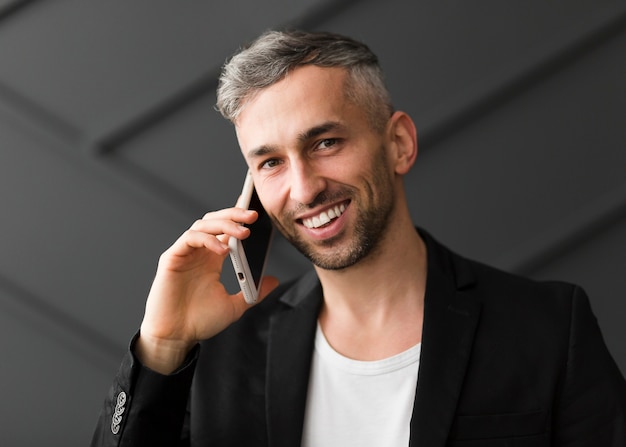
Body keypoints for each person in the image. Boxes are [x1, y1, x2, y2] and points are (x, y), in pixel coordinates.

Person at [91, 30, 626, 446]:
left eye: (324, 142)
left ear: (398, 143)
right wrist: (162, 346)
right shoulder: (220, 353)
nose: (304, 188)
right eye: (271, 162)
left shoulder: (548, 328)